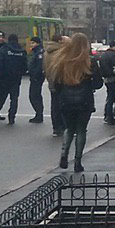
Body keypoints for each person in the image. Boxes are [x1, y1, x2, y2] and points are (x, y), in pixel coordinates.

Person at [46, 32, 104, 172]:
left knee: (69, 128)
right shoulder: (90, 61)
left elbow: (56, 82)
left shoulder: (62, 60)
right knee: (81, 130)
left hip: (66, 100)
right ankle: (78, 161)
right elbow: (97, 83)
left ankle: (64, 154)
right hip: (84, 100)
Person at [0, 34, 28, 125]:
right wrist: (20, 73)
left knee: (1, 97)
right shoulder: (22, 51)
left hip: (4, 78)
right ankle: (12, 117)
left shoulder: (4, 49)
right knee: (14, 99)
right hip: (16, 79)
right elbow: (25, 65)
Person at [97, 39, 115, 125]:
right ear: (114, 46)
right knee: (114, 97)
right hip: (114, 78)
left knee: (110, 97)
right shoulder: (114, 55)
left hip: (107, 79)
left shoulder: (104, 55)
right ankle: (111, 116)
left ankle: (107, 115)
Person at [27, 37, 46, 123]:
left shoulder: (39, 53)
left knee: (34, 96)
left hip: (37, 78)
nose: (32, 45)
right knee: (35, 96)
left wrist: (34, 75)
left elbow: (39, 66)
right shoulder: (36, 52)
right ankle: (38, 114)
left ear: (37, 43)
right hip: (35, 77)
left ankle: (39, 114)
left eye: (33, 43)